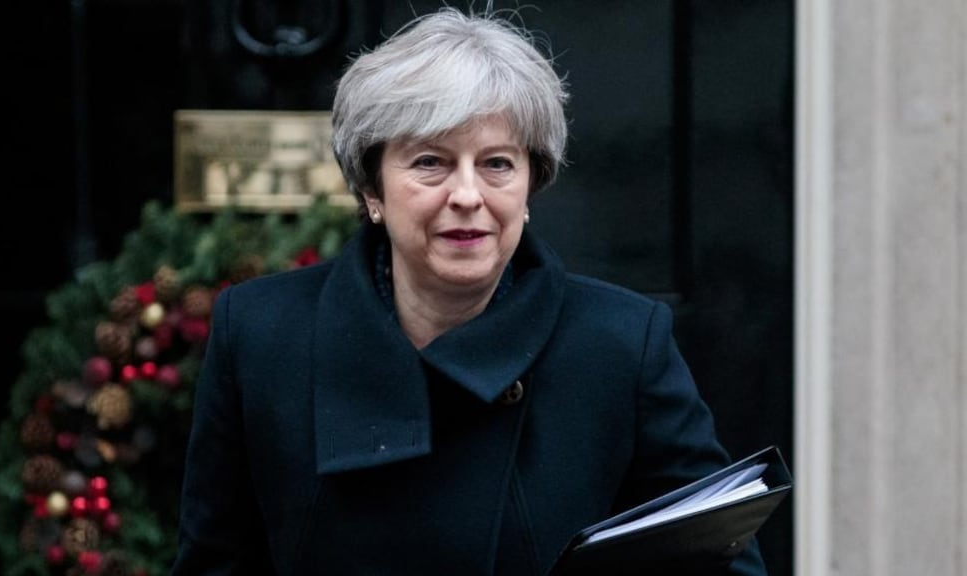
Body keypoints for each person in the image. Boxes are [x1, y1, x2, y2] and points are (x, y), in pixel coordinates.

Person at [171, 7, 768, 576]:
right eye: (430, 162)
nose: (466, 194)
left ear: (530, 184)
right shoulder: (261, 334)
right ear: (372, 190)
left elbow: (719, 561)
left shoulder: (620, 345)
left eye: (497, 163)